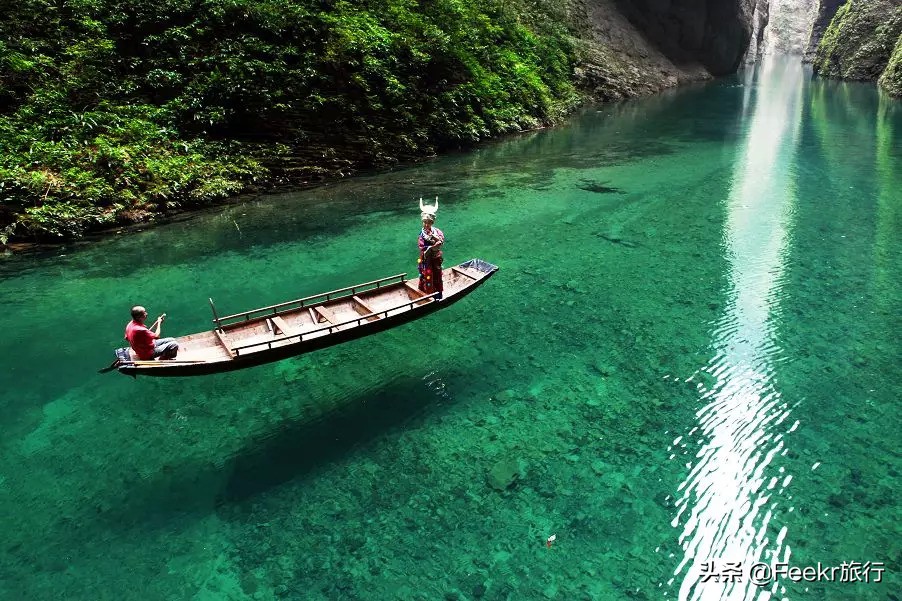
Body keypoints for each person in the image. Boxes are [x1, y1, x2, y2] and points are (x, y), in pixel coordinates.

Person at [417, 196, 445, 300]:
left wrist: (435, 243)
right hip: (426, 259)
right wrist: (432, 246)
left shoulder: (437, 232)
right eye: (424, 222)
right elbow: (421, 246)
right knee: (426, 275)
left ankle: (438, 295)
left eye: (428, 222)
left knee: (437, 275)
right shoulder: (422, 234)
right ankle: (427, 294)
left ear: (432, 222)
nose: (426, 224)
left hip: (436, 258)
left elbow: (441, 241)